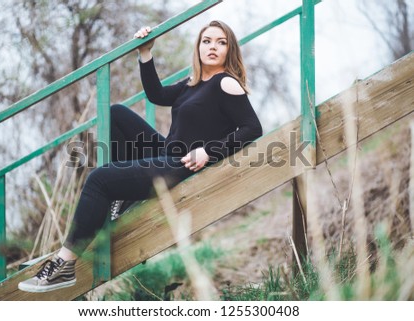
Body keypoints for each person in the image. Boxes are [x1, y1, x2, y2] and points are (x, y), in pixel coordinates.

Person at [18, 20, 262, 293]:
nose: (213, 47)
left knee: (99, 179)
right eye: (207, 41)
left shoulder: (225, 83)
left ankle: (64, 265)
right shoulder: (192, 84)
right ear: (198, 47)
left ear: (230, 49)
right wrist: (145, 53)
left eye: (221, 42)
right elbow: (156, 94)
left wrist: (208, 151)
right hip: (167, 151)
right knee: (116, 113)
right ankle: (122, 199)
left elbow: (252, 128)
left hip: (180, 165)